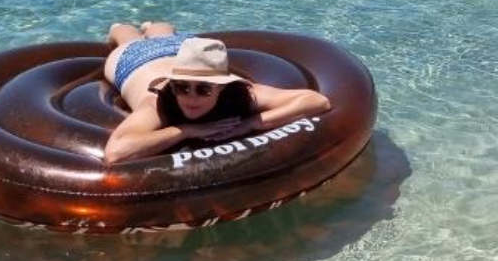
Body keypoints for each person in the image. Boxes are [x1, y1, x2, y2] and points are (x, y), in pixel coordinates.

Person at [101, 21, 331, 164]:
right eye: (182, 87)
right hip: (135, 60)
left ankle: (154, 25)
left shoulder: (239, 95)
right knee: (126, 36)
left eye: (203, 89)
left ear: (221, 87)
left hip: (180, 50)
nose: (191, 97)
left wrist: (252, 123)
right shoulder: (158, 103)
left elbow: (317, 101)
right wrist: (187, 130)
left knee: (164, 33)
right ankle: (120, 26)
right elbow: (116, 152)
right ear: (172, 85)